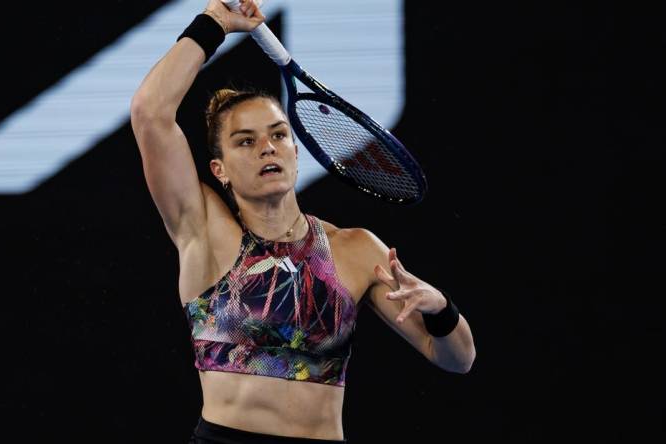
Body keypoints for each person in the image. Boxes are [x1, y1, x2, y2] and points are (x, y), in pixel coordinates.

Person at [130, 1, 476, 442]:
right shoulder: (201, 228)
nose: (267, 149)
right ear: (219, 169)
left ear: (296, 150)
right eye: (245, 141)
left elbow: (457, 358)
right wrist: (214, 23)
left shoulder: (355, 249)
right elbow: (150, 112)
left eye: (278, 135)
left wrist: (441, 310)